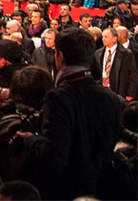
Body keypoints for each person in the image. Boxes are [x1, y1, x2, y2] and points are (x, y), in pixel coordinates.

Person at [24, 27, 124, 199]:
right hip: (104, 189)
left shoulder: (58, 98)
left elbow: (55, 157)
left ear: (59, 56)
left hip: (68, 190)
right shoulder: (113, 99)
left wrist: (32, 140)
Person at [93, 27, 137, 99]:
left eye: (106, 37)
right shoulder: (98, 53)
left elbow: (133, 74)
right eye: (103, 36)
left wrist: (131, 93)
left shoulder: (126, 53)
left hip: (120, 91)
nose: (103, 39)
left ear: (114, 38)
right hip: (102, 91)